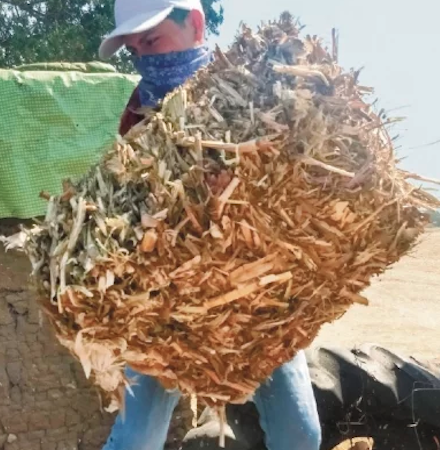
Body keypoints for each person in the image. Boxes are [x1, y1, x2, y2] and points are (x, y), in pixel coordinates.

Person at [97, 1, 323, 449]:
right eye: (136, 49)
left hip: (256, 296)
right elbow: (125, 208)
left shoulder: (258, 89)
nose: (146, 58)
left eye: (153, 40)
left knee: (300, 434)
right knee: (135, 440)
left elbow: (297, 184)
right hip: (168, 306)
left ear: (196, 25)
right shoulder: (138, 115)